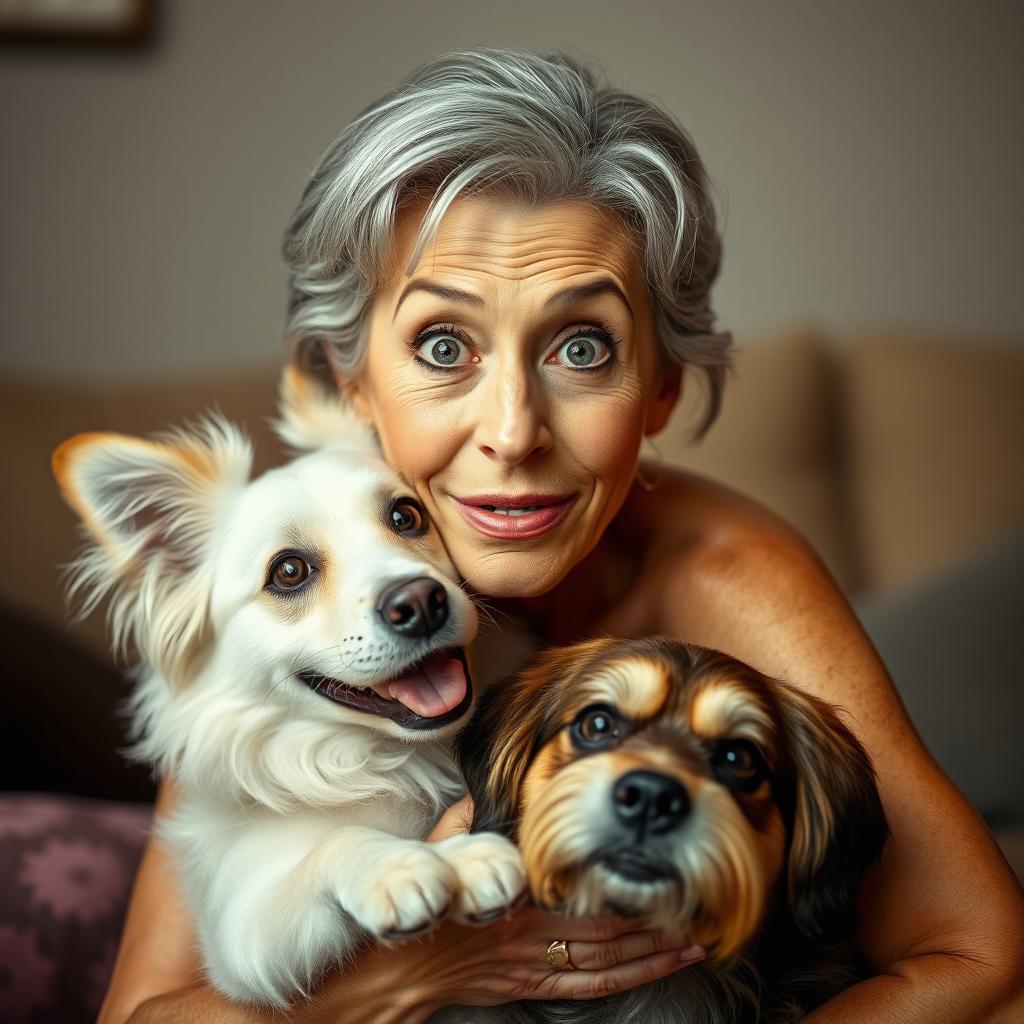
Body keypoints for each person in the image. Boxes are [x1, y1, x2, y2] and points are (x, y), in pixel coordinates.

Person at [99, 48, 1023, 1024]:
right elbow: (141, 1015)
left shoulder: (723, 577)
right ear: (354, 385)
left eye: (582, 348)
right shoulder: (281, 621)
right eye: (443, 346)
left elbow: (989, 965)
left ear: (660, 387)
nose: (512, 432)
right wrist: (402, 976)